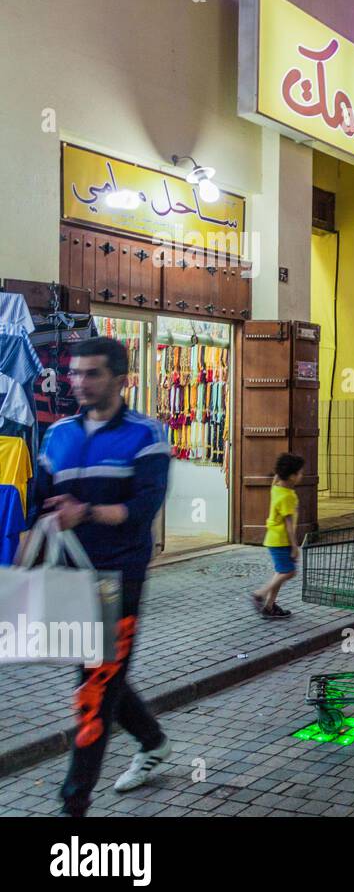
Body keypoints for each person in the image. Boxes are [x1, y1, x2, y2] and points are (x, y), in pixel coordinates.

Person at [29, 337, 172, 815]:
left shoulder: (146, 434)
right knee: (103, 675)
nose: (78, 383)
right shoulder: (58, 434)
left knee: (93, 685)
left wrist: (83, 511)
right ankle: (152, 740)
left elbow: (141, 510)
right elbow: (39, 502)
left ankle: (74, 804)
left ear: (120, 379)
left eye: (91, 374)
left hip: (119, 577)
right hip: (69, 577)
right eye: (74, 373)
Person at [252, 452, 305, 619]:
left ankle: (269, 607)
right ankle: (260, 594)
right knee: (289, 572)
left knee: (280, 572)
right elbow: (289, 525)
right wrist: (295, 546)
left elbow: (276, 477)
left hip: (273, 539)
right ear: (291, 476)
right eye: (299, 472)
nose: (301, 476)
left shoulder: (276, 488)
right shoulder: (287, 496)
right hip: (281, 540)